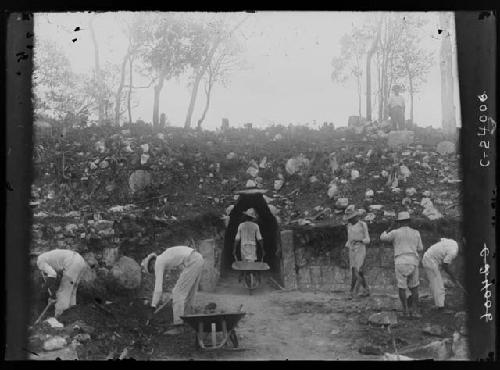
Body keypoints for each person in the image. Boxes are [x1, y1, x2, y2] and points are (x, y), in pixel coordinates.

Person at [141, 246, 204, 334]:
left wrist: (153, 306)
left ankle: (179, 326)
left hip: (192, 261)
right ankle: (188, 321)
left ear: (151, 264)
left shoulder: (158, 262)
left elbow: (158, 289)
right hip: (198, 258)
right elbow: (182, 262)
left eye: (152, 270)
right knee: (189, 293)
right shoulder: (165, 256)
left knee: (178, 293)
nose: (154, 271)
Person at [380, 211, 424, 318]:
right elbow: (420, 248)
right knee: (415, 287)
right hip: (413, 261)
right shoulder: (416, 232)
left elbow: (382, 237)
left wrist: (389, 228)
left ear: (399, 222)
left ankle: (405, 310)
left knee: (402, 287)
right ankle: (414, 311)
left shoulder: (395, 232)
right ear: (408, 222)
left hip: (400, 261)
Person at [35, 249, 88, 317]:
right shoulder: (48, 256)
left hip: (72, 263)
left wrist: (44, 289)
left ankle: (60, 317)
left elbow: (52, 275)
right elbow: (53, 278)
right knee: (72, 290)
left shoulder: (40, 261)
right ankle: (72, 314)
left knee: (64, 291)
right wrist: (53, 293)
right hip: (81, 261)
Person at [422, 233, 460, 310]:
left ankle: (438, 303)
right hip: (430, 260)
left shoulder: (453, 242)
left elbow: (440, 240)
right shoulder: (453, 252)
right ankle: (440, 307)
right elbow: (445, 266)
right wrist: (454, 278)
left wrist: (436, 252)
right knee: (438, 285)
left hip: (429, 257)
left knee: (435, 282)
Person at [344, 209, 371, 298]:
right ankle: (366, 289)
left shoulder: (362, 225)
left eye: (351, 218)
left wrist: (359, 241)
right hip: (352, 250)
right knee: (355, 270)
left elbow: (367, 240)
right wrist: (348, 246)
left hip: (360, 249)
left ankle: (352, 291)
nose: (350, 220)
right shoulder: (349, 226)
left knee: (356, 271)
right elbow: (349, 239)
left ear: (355, 217)